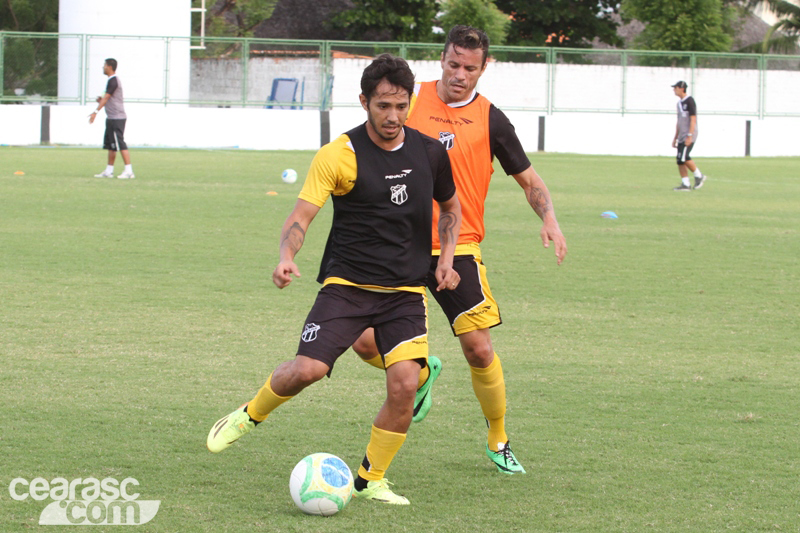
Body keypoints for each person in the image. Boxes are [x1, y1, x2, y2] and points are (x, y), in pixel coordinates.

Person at [206, 54, 462, 506]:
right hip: (347, 287)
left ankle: (371, 479)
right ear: (364, 101)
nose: (392, 116)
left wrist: (445, 260)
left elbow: (452, 209)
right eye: (383, 105)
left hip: (405, 292)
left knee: (404, 384)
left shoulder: (429, 152)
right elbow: (301, 217)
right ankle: (249, 415)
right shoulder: (339, 155)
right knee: (308, 370)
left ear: (410, 102)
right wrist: (286, 256)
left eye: (401, 106)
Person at [351, 25, 567, 475]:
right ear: (442, 59)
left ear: (484, 67)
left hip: (459, 244)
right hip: (399, 243)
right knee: (360, 340)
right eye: (453, 64)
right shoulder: (408, 101)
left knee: (479, 349)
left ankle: (498, 437)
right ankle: (424, 373)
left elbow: (528, 180)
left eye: (470, 68)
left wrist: (549, 219)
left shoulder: (492, 119)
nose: (460, 75)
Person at [89, 58, 135, 179]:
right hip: (111, 117)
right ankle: (109, 171)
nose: (103, 67)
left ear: (109, 67)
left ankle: (129, 171)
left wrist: (95, 112)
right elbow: (106, 97)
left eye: (104, 65)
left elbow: (107, 97)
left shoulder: (114, 80)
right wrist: (101, 100)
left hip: (117, 117)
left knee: (120, 143)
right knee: (112, 145)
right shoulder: (110, 81)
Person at [671, 81, 706, 191]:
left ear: (681, 88)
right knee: (680, 160)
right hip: (682, 134)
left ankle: (699, 176)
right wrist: (675, 137)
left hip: (689, 134)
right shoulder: (679, 103)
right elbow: (679, 121)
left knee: (684, 157)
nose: (674, 90)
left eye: (675, 88)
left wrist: (690, 135)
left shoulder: (690, 101)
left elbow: (693, 119)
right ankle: (685, 184)